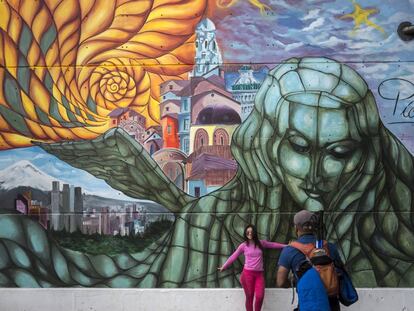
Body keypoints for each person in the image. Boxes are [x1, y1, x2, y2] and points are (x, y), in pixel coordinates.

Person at [277, 210, 342, 311]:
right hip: (332, 305)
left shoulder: (289, 250)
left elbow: (280, 282)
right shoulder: (330, 247)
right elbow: (340, 272)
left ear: (296, 228)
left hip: (309, 303)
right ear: (314, 227)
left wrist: (295, 282)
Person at [218, 224, 286, 311]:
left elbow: (272, 245)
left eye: (251, 232)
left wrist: (286, 246)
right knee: (249, 297)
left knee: (260, 296)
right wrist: (224, 266)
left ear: (254, 233)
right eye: (247, 232)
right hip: (247, 275)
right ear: (245, 234)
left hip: (259, 275)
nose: (249, 234)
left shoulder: (261, 243)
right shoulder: (243, 245)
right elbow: (234, 256)